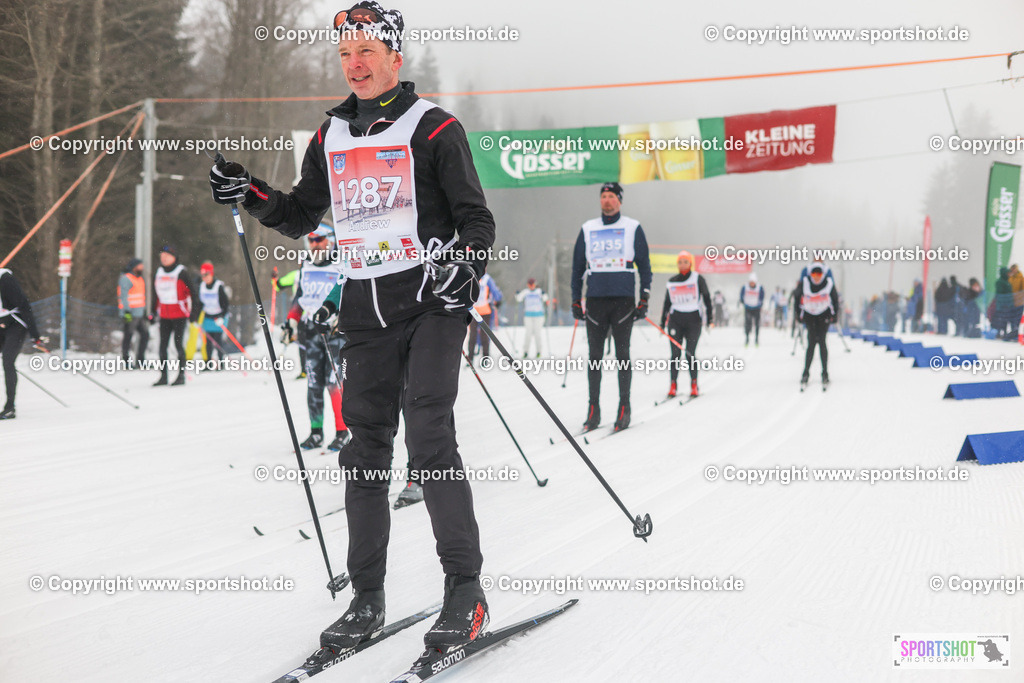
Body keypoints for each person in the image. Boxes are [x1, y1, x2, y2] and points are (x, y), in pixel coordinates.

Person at [209, 1, 495, 651]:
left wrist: (464, 263)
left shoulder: (434, 128)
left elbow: (476, 222)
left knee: (428, 434)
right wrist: (247, 192)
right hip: (366, 310)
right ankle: (367, 598)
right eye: (345, 54)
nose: (355, 63)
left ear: (396, 56)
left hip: (431, 303)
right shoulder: (330, 135)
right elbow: (300, 213)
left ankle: (465, 592)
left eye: (367, 51)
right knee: (363, 450)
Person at [570, 181, 652, 432]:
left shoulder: (632, 227)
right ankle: (593, 411)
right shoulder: (588, 228)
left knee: (622, 356)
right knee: (594, 358)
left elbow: (644, 266)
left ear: (620, 200)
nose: (607, 200)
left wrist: (644, 297)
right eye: (603, 196)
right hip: (595, 300)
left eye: (611, 196)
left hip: (623, 301)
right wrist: (575, 298)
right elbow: (577, 268)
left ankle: (624, 409)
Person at [285, 225, 350, 452]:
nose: (315, 245)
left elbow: (349, 294)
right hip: (311, 332)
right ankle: (316, 432)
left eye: (319, 240)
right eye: (311, 241)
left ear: (330, 240)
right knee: (313, 383)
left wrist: (340, 316)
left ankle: (343, 432)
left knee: (334, 383)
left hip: (335, 333)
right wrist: (291, 322)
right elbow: (300, 296)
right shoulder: (306, 264)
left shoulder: (342, 262)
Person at [659, 250, 711, 398]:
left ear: (690, 263)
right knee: (675, 355)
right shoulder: (672, 280)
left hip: (694, 321)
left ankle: (694, 384)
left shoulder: (698, 279)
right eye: (680, 262)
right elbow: (667, 303)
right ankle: (673, 384)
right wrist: (663, 322)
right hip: (676, 321)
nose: (682, 265)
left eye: (685, 262)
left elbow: (707, 299)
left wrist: (711, 319)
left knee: (690, 354)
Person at [0, 269, 44, 420]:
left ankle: (10, 407)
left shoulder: (5, 279)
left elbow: (25, 305)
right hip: (1, 325)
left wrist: (35, 335)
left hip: (16, 324)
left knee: (7, 361)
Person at [151, 245, 197, 386]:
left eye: (167, 255)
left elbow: (193, 293)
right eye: (162, 256)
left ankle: (181, 375)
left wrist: (193, 313)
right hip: (164, 315)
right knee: (162, 346)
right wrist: (153, 312)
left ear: (174, 257)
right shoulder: (158, 272)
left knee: (178, 345)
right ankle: (163, 376)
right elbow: (155, 294)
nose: (163, 258)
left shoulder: (181, 272)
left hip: (179, 315)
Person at [798, 261, 840, 389]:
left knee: (822, 342)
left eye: (819, 273)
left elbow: (835, 299)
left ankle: (825, 373)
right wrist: (798, 315)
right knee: (811, 344)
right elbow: (796, 297)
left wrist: (835, 316)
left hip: (824, 316)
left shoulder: (828, 283)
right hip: (810, 316)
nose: (816, 276)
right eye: (814, 274)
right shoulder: (805, 282)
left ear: (822, 274)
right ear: (811, 274)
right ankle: (806, 373)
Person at [197, 261, 231, 362]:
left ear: (211, 274)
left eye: (206, 275)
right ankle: (208, 363)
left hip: (218, 316)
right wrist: (195, 317)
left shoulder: (218, 286)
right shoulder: (202, 286)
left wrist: (222, 316)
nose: (204, 277)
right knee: (208, 341)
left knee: (217, 341)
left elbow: (225, 303)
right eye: (202, 275)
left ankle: (220, 362)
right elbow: (199, 304)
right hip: (208, 317)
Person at [117, 258, 149, 364]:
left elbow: (140, 296)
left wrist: (143, 311)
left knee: (144, 335)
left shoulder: (139, 279)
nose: (142, 268)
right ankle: (126, 360)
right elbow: (123, 296)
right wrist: (126, 311)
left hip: (139, 313)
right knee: (128, 336)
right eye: (140, 265)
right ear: (134, 267)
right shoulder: (126, 279)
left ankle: (140, 360)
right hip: (130, 313)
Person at [467, 271, 502, 364]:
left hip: (477, 311)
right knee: (483, 335)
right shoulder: (486, 278)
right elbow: (496, 292)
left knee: (474, 335)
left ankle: (473, 359)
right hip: (480, 311)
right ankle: (483, 359)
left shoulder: (473, 275)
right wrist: (498, 300)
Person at [515, 277, 548, 358]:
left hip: (539, 316)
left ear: (535, 284)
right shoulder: (526, 292)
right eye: (529, 285)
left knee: (537, 334)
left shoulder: (539, 291)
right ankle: (525, 351)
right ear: (527, 285)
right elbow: (519, 299)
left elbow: (545, 298)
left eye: (532, 285)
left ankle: (539, 351)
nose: (531, 286)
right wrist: (517, 294)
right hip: (528, 316)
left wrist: (544, 294)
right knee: (528, 334)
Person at [739, 273, 764, 346]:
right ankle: (747, 338)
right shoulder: (745, 287)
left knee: (757, 324)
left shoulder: (759, 287)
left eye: (753, 282)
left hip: (756, 308)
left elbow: (762, 296)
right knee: (747, 323)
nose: (752, 284)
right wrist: (742, 301)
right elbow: (741, 295)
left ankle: (756, 339)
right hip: (748, 308)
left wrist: (760, 303)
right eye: (751, 282)